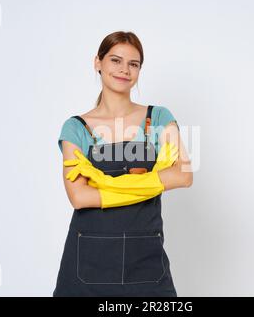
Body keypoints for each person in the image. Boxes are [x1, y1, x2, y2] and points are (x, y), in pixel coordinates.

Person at [53, 31, 193, 297]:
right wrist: (152, 180)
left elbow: (184, 176)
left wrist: (103, 182)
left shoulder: (159, 117)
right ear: (98, 62)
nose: (124, 70)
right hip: (87, 263)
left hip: (146, 261)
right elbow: (79, 197)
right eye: (115, 60)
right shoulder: (75, 128)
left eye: (133, 64)